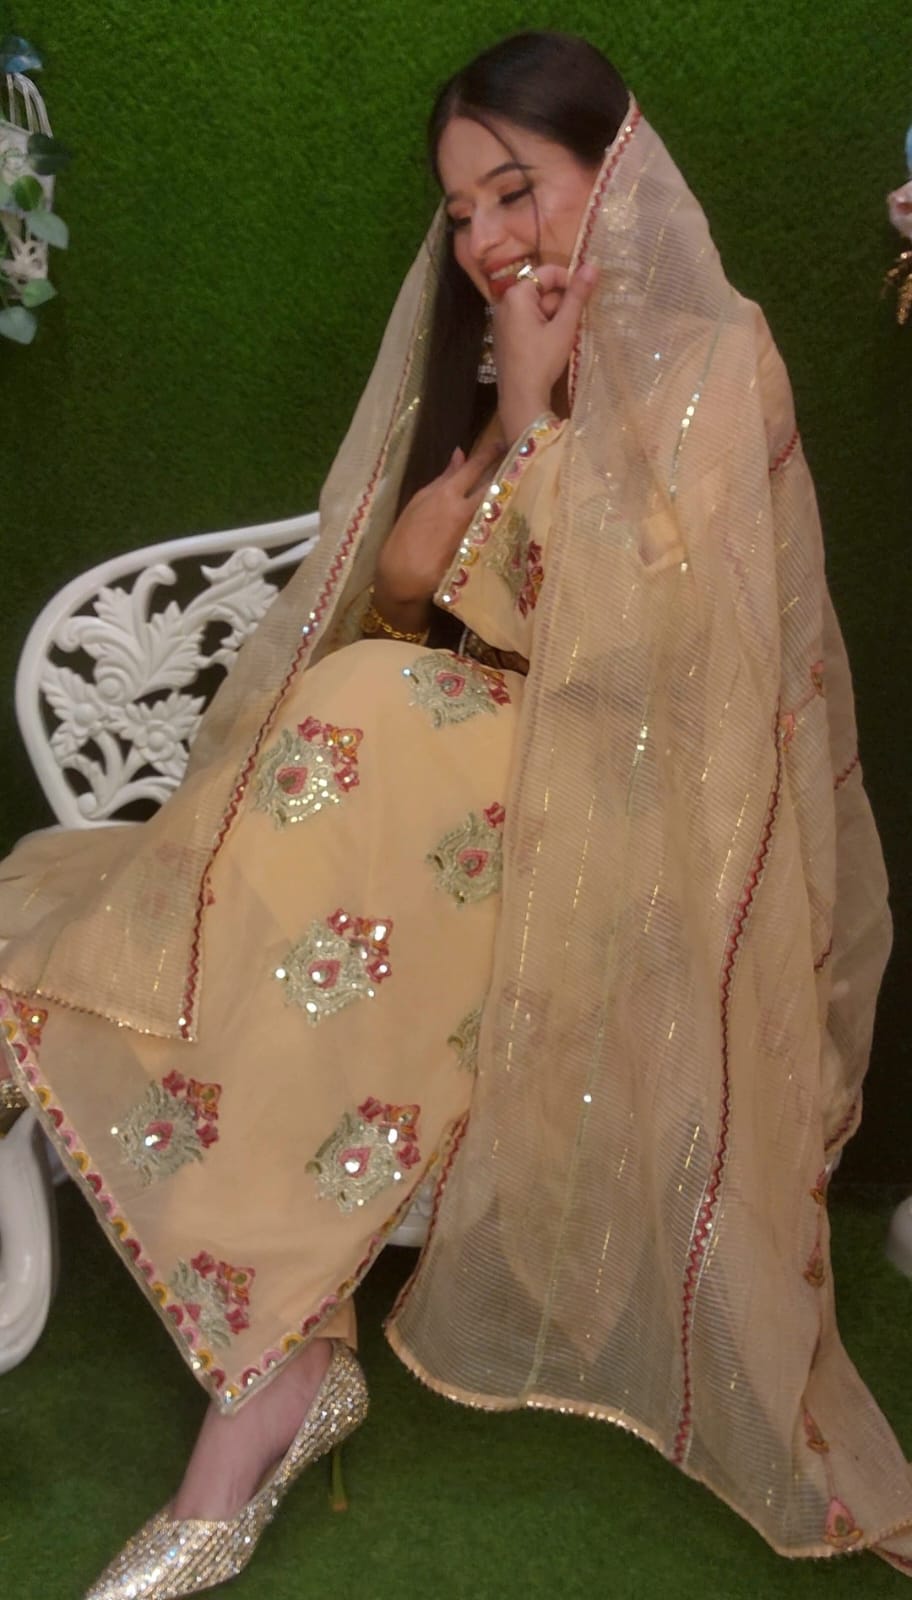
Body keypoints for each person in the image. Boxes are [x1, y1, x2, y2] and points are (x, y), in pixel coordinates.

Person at [0, 30, 910, 1597]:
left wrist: (537, 418)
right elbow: (424, 610)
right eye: (463, 210)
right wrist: (461, 497)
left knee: (358, 732)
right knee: (332, 751)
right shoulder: (494, 358)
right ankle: (284, 1355)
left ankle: (271, 1386)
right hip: (449, 802)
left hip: (620, 827)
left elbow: (646, 651)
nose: (487, 237)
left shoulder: (718, 361)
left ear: (613, 174)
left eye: (516, 188)